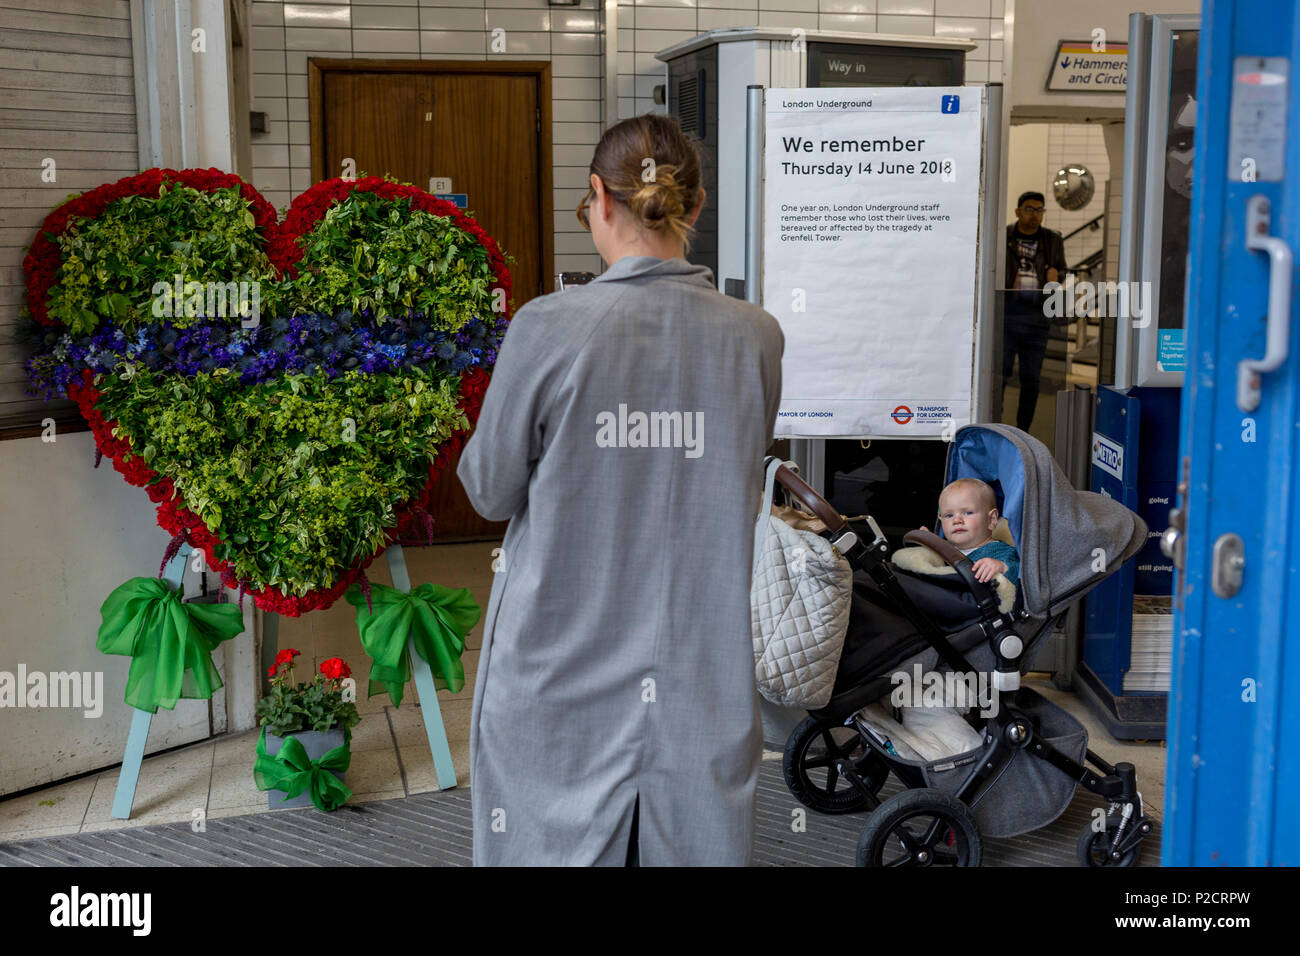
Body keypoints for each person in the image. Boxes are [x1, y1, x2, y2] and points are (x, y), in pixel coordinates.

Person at [456, 113, 785, 866]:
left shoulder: (547, 326)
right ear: (695, 207)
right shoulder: (758, 334)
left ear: (598, 198)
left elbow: (491, 492)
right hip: (700, 670)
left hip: (558, 666)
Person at [1002, 191, 1067, 433]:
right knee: (1001, 376)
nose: (1035, 215)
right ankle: (995, 423)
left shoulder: (1052, 240)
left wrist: (1055, 276)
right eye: (1029, 209)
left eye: (1040, 210)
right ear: (1018, 211)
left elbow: (1062, 269)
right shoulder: (1004, 236)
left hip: (1037, 318)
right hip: (1007, 314)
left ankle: (1023, 430)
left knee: (1031, 380)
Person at [936, 478, 1019, 586]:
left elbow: (1021, 573)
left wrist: (1003, 567)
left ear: (991, 519)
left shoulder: (1003, 552)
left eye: (968, 513)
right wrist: (930, 544)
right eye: (949, 515)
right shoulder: (945, 550)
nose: (956, 520)